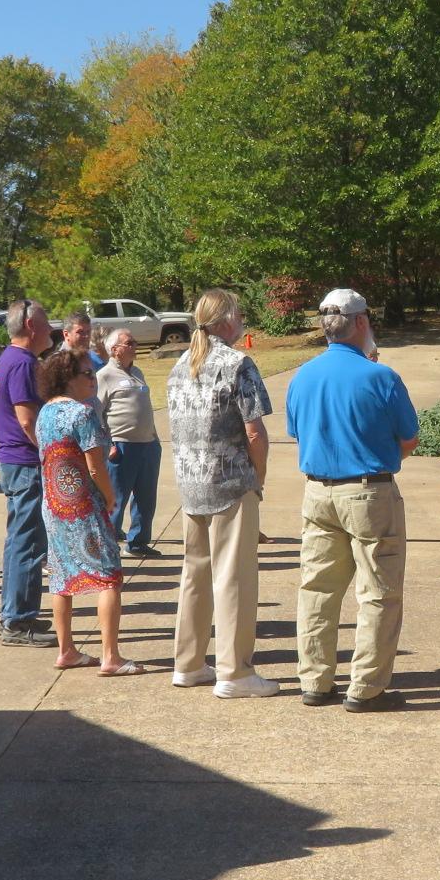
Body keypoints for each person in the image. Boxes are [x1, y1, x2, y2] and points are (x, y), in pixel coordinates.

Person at [285, 288, 419, 712]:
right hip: (368, 491)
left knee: (317, 590)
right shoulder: (380, 377)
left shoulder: (302, 375)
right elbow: (410, 437)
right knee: (378, 591)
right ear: (360, 322)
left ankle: (315, 681)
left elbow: (297, 432)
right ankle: (366, 688)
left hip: (317, 491)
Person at [165, 290, 280, 698]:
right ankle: (235, 671)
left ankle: (189, 663)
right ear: (226, 320)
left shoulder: (180, 365)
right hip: (231, 482)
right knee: (234, 578)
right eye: (240, 313)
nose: (243, 319)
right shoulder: (237, 364)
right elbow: (255, 431)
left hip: (192, 483)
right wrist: (259, 477)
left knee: (195, 574)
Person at [36, 348, 146, 675]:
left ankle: (66, 650)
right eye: (86, 373)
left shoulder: (45, 413)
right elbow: (96, 467)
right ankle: (110, 656)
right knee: (109, 577)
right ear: (66, 378)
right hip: (84, 508)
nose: (92, 379)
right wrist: (111, 498)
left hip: (55, 506)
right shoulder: (81, 414)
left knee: (61, 578)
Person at [0, 300, 57, 648]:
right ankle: (18, 622)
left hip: (17, 463)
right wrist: (52, 456)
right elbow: (28, 420)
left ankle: (15, 614)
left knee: (20, 540)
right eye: (45, 323)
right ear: (30, 326)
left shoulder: (8, 359)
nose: (50, 328)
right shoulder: (23, 363)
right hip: (27, 463)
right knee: (28, 543)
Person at [98, 329, 163, 557]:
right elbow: (96, 414)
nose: (135, 345)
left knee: (146, 498)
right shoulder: (105, 375)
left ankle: (138, 543)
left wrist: (154, 438)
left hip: (148, 444)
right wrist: (108, 444)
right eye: (130, 342)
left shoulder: (137, 372)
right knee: (115, 499)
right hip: (122, 446)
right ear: (115, 349)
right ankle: (108, 545)